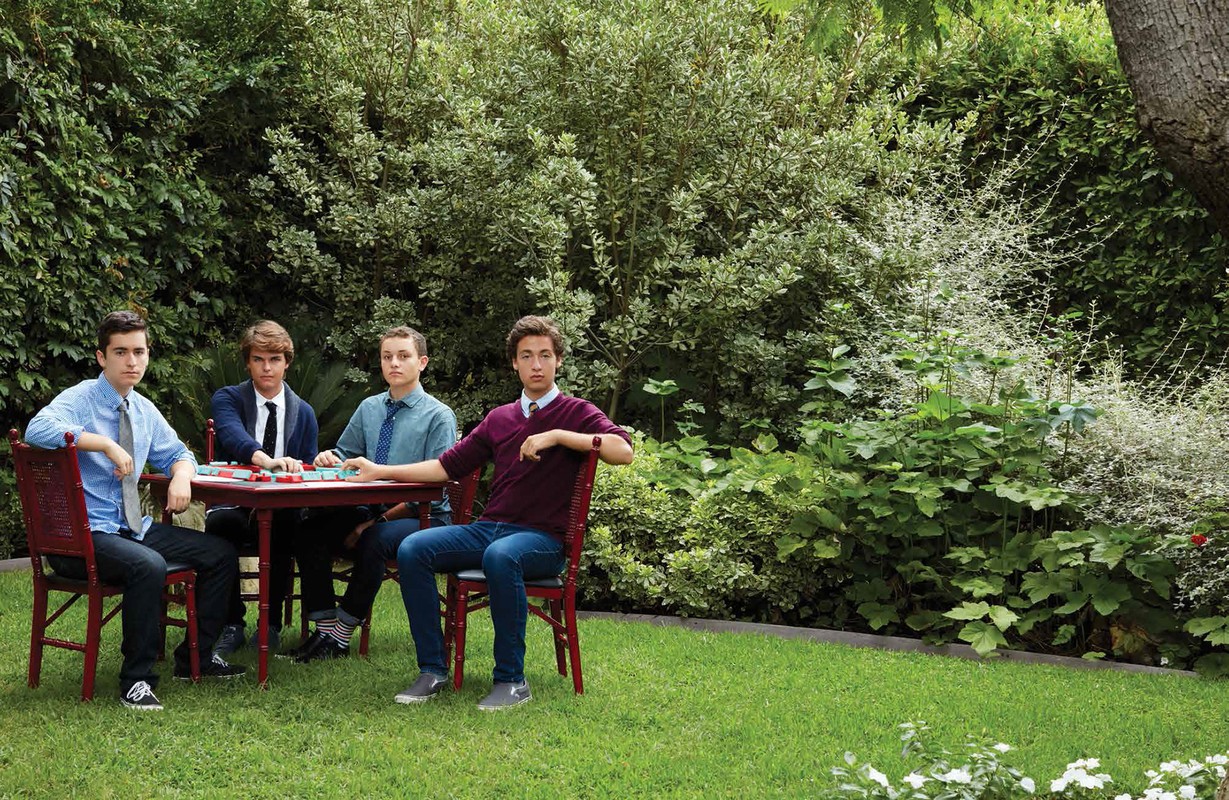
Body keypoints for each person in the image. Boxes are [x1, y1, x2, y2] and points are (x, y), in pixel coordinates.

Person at [343, 315, 633, 710]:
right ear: (514, 362)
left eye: (545, 355)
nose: (536, 364)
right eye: (526, 356)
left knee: (501, 555)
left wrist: (557, 436)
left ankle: (512, 680)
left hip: (542, 540)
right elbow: (444, 467)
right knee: (413, 548)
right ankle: (432, 670)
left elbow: (622, 451)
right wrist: (380, 471)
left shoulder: (576, 412)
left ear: (559, 361)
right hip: (491, 528)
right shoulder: (500, 418)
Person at [25, 310, 244, 711]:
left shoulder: (142, 409)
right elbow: (36, 430)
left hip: (130, 528)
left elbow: (179, 453)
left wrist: (181, 477)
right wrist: (104, 444)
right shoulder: (80, 399)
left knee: (220, 553)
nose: (132, 361)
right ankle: (136, 681)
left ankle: (194, 658)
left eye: (139, 352)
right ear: (101, 357)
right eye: (121, 352)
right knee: (148, 565)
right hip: (79, 539)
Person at [291, 325, 457, 663]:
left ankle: (341, 635)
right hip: (370, 507)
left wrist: (374, 522)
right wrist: (329, 458)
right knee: (308, 530)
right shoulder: (369, 407)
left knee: (374, 539)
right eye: (387, 356)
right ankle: (324, 629)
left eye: (403, 356)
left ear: (422, 362)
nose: (394, 363)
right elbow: (346, 453)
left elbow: (436, 490)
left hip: (424, 517)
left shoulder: (439, 416)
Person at [205, 320, 319, 656]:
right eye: (258, 359)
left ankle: (270, 624)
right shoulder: (228, 399)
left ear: (287, 363)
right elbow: (232, 436)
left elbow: (307, 469)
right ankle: (232, 624)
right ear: (247, 363)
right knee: (221, 524)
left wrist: (314, 464)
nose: (267, 367)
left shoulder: (305, 413)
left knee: (286, 523)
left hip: (282, 506)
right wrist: (266, 460)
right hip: (233, 503)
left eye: (274, 359)